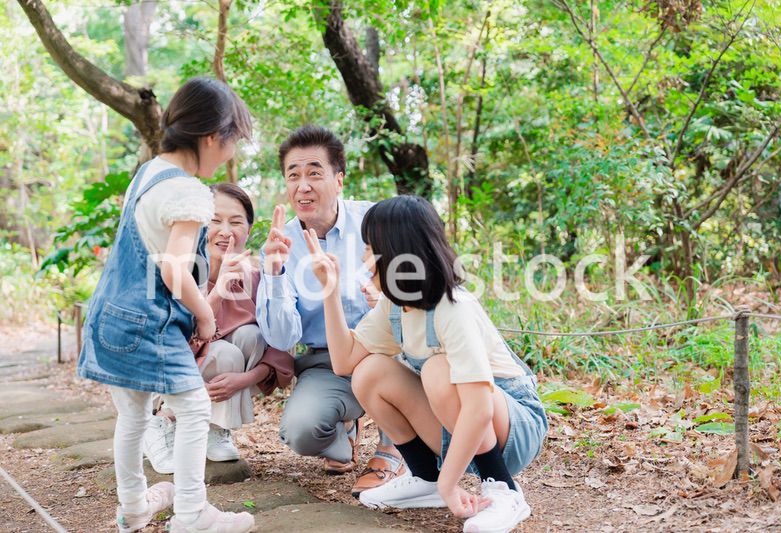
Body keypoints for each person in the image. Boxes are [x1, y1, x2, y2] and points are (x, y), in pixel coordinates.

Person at [303, 195, 548, 533]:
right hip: (464, 422)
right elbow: (345, 361)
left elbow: (478, 407)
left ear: (395, 253)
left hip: (513, 425)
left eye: (370, 247)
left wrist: (454, 484)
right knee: (369, 373)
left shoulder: (453, 307)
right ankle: (425, 478)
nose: (363, 258)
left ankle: (502, 487)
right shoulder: (394, 306)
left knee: (436, 370)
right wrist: (329, 290)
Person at [76, 77, 255, 533]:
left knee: (133, 414)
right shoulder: (192, 191)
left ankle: (134, 506)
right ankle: (193, 514)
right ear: (214, 137)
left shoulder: (150, 173)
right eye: (234, 141)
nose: (231, 153)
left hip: (108, 317)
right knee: (195, 408)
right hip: (147, 324)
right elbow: (176, 270)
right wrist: (206, 312)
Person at [256, 125, 406, 496]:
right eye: (293, 175)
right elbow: (282, 338)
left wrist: (385, 300)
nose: (302, 185)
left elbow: (415, 289)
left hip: (387, 351)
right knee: (301, 431)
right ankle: (345, 434)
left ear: (339, 180)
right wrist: (274, 272)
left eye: (314, 173)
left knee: (404, 341)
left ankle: (393, 448)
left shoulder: (374, 221)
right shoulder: (280, 245)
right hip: (326, 364)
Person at [143, 183, 294, 473]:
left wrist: (246, 378)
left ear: (248, 231)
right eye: (215, 220)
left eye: (236, 222)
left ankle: (216, 427)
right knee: (224, 352)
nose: (226, 231)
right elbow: (167, 345)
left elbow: (281, 347)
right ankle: (162, 420)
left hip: (220, 372)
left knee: (250, 336)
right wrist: (218, 291)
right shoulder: (176, 271)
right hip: (168, 375)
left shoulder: (256, 278)